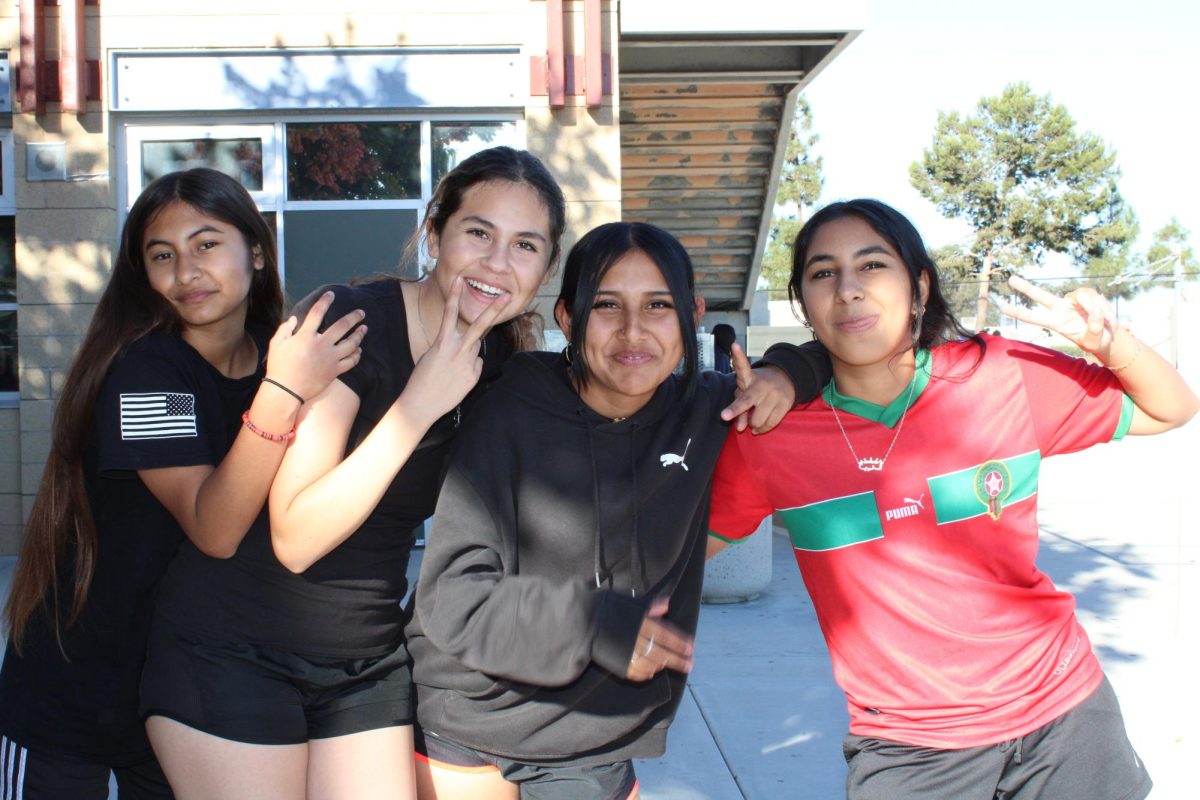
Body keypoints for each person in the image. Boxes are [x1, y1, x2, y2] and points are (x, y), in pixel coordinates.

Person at [708, 199, 1199, 800]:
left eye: (872, 266)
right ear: (805, 303)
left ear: (918, 288)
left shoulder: (1002, 376)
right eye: (823, 272)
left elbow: (1169, 407)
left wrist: (1109, 342)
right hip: (910, 752)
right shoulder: (770, 433)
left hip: (1067, 720)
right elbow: (678, 552)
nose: (849, 290)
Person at [138, 146, 566, 800]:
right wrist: (419, 403)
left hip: (365, 662)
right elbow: (297, 534)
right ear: (433, 235)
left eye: (525, 245)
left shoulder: (501, 368)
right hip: (234, 646)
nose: (497, 264)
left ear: (546, 268)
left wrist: (782, 371)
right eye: (478, 233)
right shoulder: (350, 322)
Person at [405, 221, 831, 800]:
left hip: (593, 734)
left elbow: (835, 351)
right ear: (568, 319)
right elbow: (451, 594)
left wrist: (789, 371)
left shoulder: (711, 410)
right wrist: (591, 623)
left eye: (658, 305)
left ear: (692, 314)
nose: (634, 331)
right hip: (468, 715)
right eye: (607, 305)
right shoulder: (507, 408)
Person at [0, 168, 365, 799]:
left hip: (183, 694)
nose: (185, 272)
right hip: (73, 694)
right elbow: (214, 527)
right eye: (161, 255)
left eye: (206, 244)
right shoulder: (148, 373)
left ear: (255, 249)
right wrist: (284, 392)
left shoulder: (268, 355)